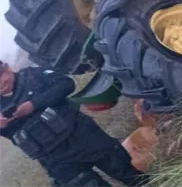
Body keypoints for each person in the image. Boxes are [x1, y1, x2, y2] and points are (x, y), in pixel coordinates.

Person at [0, 60, 148, 187]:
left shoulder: (32, 75)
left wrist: (34, 104)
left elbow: (66, 84)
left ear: (7, 68)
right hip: (54, 159)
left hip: (82, 135)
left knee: (127, 173)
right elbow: (13, 137)